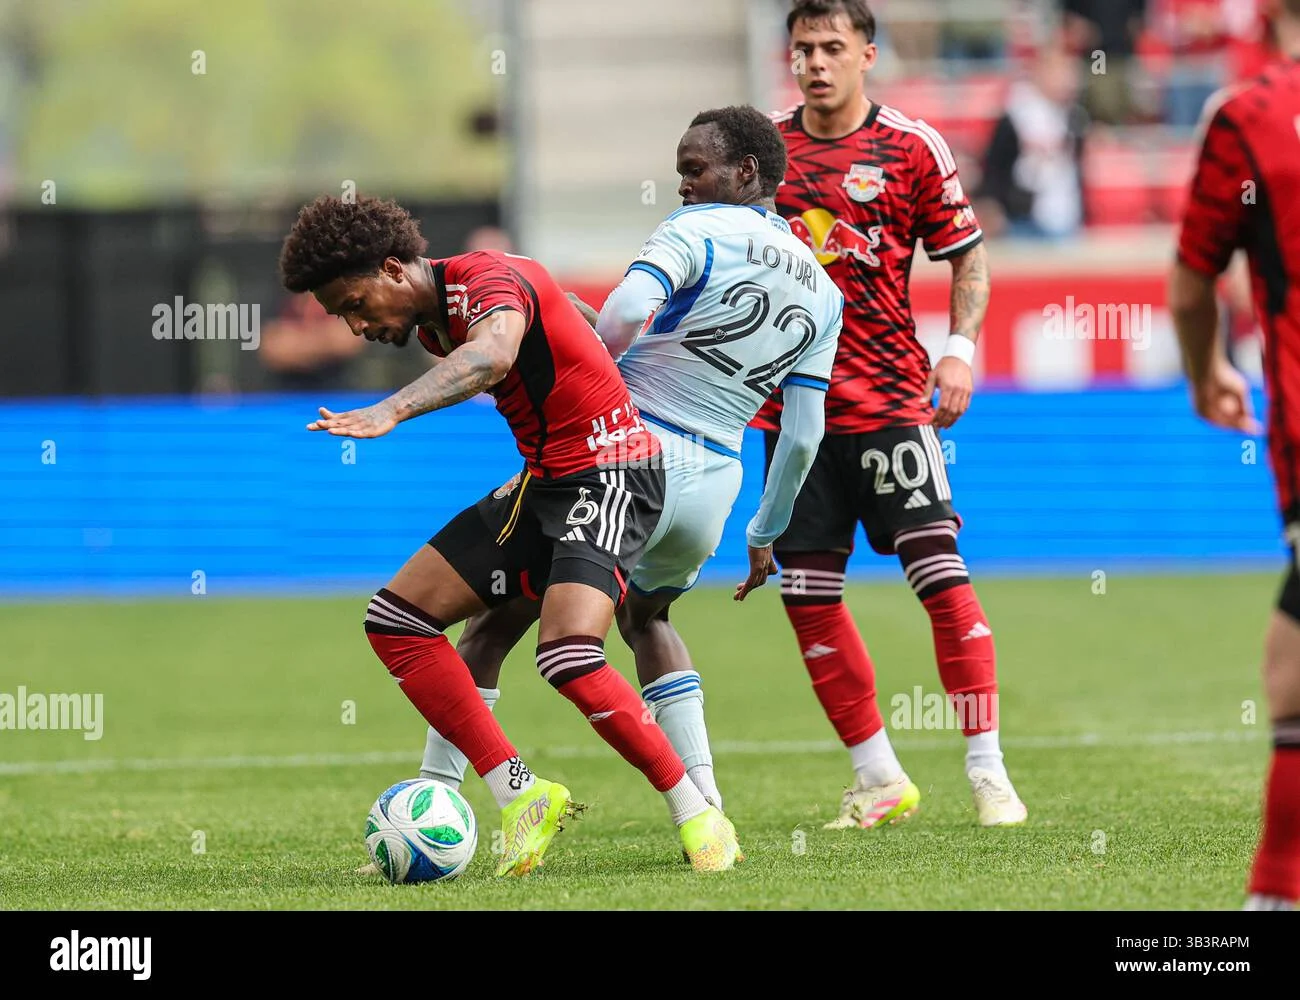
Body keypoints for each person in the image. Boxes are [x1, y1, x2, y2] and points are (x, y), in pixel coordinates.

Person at [277, 195, 742, 876]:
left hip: (613, 473)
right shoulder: (440, 314)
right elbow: (568, 315)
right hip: (548, 480)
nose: (354, 324)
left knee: (568, 655)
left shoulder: (481, 282)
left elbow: (492, 357)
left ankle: (700, 815)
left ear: (391, 268)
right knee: (396, 620)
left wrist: (392, 409)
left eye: (354, 302)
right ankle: (521, 794)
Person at [411, 105, 844, 820]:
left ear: (746, 172)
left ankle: (437, 799)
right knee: (647, 617)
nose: (682, 186)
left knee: (494, 621)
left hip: (620, 455)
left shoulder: (697, 229)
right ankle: (706, 803)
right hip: (715, 481)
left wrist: (586, 370)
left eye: (694, 169)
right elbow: (802, 434)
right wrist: (765, 532)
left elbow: (625, 315)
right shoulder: (825, 294)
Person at [754, 0, 1028, 830]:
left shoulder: (910, 147)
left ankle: (989, 771)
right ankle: (879, 775)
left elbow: (965, 252)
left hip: (888, 402)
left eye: (832, 47)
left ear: (867, 53)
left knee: (940, 581)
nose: (816, 62)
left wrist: (961, 350)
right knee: (807, 598)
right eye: (803, 48)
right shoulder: (760, 151)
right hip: (792, 416)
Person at [1168, 0, 1300, 910]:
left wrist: (1205, 367)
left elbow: (1190, 283)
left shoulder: (1248, 116)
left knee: (1290, 671)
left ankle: (1271, 899)